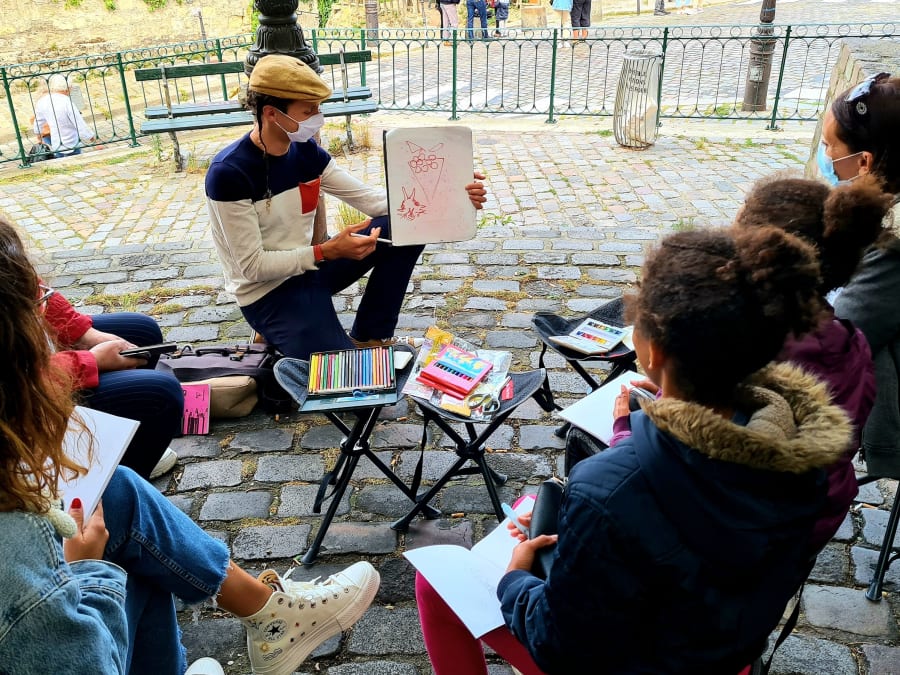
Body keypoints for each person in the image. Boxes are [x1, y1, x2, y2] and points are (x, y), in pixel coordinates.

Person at [417, 226, 853, 673]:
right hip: (726, 652)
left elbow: (558, 645)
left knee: (433, 582)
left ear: (653, 349)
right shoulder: (801, 447)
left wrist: (515, 579)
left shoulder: (607, 489)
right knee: (539, 508)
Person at [0, 246, 381, 675]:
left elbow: (42, 297)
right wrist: (88, 570)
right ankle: (273, 620)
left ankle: (268, 618)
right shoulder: (15, 548)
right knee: (128, 528)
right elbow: (82, 664)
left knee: (122, 498)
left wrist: (87, 339)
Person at [205, 54, 486, 361]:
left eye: (319, 107)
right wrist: (326, 252)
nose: (318, 116)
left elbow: (373, 201)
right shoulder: (230, 173)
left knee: (405, 227)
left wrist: (451, 192)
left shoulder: (306, 152)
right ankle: (276, 327)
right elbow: (252, 267)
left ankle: (370, 335)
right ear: (272, 113)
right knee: (348, 372)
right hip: (266, 292)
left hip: (310, 268)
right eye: (308, 110)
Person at [733, 174, 894, 548]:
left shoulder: (747, 348)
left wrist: (629, 427)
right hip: (812, 519)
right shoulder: (852, 342)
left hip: (741, 531)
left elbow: (705, 468)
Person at [0, 214, 182, 481]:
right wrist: (89, 362)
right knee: (161, 394)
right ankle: (109, 483)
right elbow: (16, 384)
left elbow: (32, 289)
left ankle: (128, 443)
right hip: (21, 400)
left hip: (35, 362)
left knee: (143, 333)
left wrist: (86, 335)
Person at [827, 73, 900, 479]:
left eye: (829, 150)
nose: (828, 164)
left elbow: (844, 335)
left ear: (865, 161)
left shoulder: (892, 241)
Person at [32, 73, 94, 158]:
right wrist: (92, 138)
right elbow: (79, 124)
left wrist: (39, 137)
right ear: (68, 88)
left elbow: (38, 122)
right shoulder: (67, 102)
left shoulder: (43, 101)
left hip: (56, 143)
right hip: (72, 143)